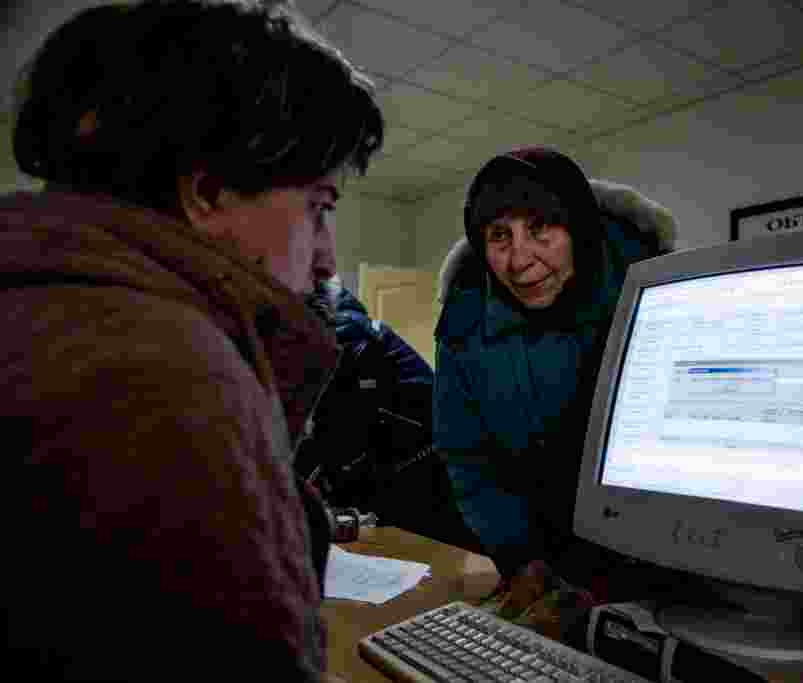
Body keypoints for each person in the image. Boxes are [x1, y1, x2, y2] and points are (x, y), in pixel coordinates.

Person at [1, 1, 383, 680]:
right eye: (317, 210)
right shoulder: (165, 383)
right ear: (206, 191)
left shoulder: (50, 305)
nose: (327, 258)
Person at [433, 146, 677, 590]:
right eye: (499, 236)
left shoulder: (657, 290)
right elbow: (467, 456)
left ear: (579, 227)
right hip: (538, 561)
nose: (519, 261)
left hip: (661, 563)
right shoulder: (465, 319)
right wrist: (518, 556)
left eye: (540, 227)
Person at [298, 271, 484, 553]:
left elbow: (330, 437)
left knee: (430, 567)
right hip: (389, 458)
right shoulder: (323, 323)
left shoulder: (345, 341)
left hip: (424, 466)